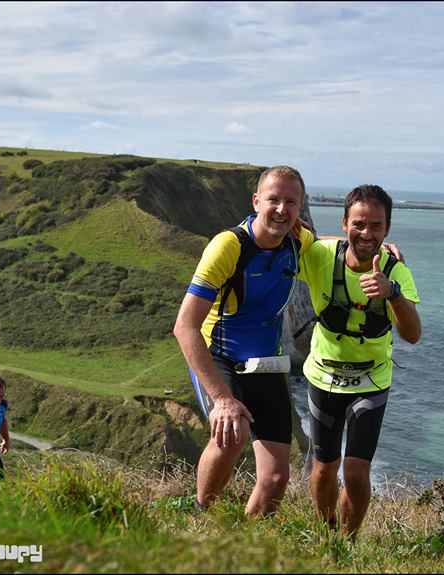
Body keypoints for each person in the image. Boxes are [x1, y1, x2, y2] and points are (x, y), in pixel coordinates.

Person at [173, 165, 315, 516]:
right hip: (221, 358)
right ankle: (201, 515)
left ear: (300, 208)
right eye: (274, 200)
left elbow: (328, 246)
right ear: (256, 201)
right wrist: (222, 399)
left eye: (291, 202)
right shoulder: (229, 246)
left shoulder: (297, 242)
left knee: (278, 477)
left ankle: (243, 545)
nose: (282, 209)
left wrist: (372, 245)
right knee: (231, 435)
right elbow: (185, 327)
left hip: (266, 364)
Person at [296, 184, 422, 539]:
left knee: (354, 471)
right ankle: (326, 534)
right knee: (323, 469)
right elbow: (287, 228)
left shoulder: (396, 271)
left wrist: (391, 293)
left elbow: (412, 334)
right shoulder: (321, 255)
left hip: (371, 380)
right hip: (324, 377)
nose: (367, 234)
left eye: (376, 226)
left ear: (387, 230)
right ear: (345, 222)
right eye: (359, 224)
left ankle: (348, 542)